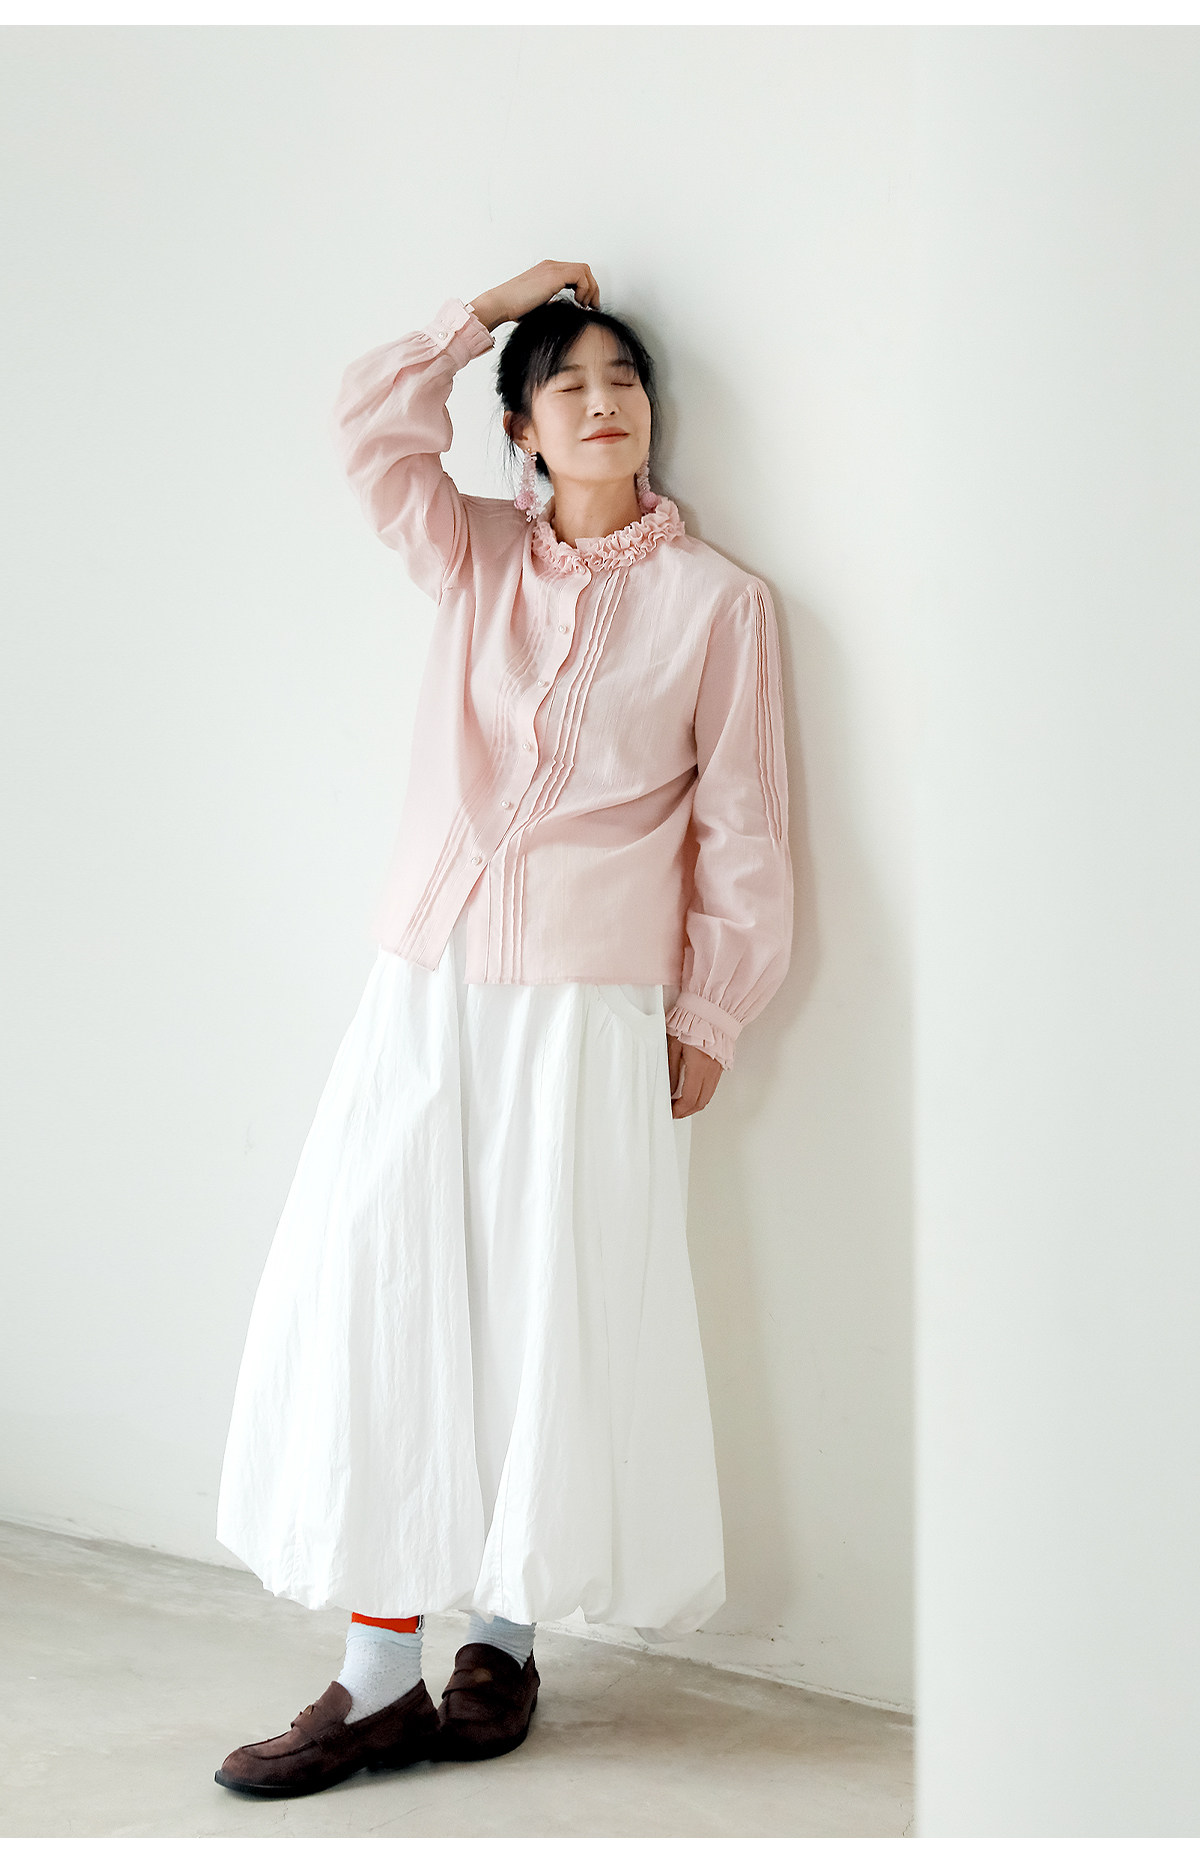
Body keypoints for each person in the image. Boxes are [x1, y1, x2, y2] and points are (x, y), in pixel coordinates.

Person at [213, 259, 793, 1798]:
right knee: (384, 1287)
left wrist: (717, 1005)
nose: (604, 402)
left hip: (591, 1003)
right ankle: (376, 1673)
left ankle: (506, 1641)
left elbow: (745, 823)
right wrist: (483, 313)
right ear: (522, 430)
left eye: (623, 377)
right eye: (566, 384)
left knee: (548, 1307)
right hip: (428, 981)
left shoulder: (719, 605)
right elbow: (365, 426)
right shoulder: (474, 558)